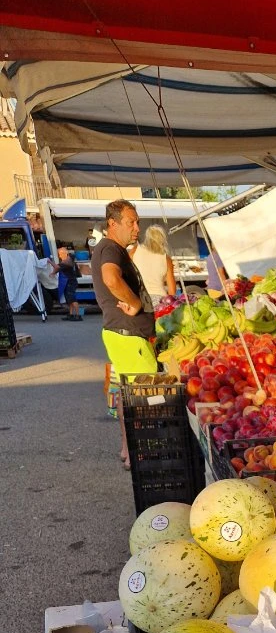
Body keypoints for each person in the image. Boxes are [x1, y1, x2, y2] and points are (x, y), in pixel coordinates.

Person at [90, 199, 157, 468]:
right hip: (129, 335)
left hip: (122, 335)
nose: (137, 228)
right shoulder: (111, 249)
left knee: (127, 394)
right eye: (131, 222)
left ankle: (129, 450)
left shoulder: (110, 248)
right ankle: (139, 452)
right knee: (143, 396)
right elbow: (110, 278)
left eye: (138, 222)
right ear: (113, 223)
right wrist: (135, 303)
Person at [130, 225, 176, 301]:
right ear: (162, 239)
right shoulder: (166, 259)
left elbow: (126, 272)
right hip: (160, 299)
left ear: (147, 237)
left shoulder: (135, 250)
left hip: (140, 297)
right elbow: (172, 291)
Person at [54, 246, 81, 321]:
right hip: (71, 281)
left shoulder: (66, 261)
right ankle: (71, 314)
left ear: (64, 253)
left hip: (70, 282)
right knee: (69, 299)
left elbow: (57, 267)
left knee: (72, 299)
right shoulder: (70, 260)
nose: (59, 255)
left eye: (60, 254)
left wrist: (49, 262)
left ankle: (78, 315)